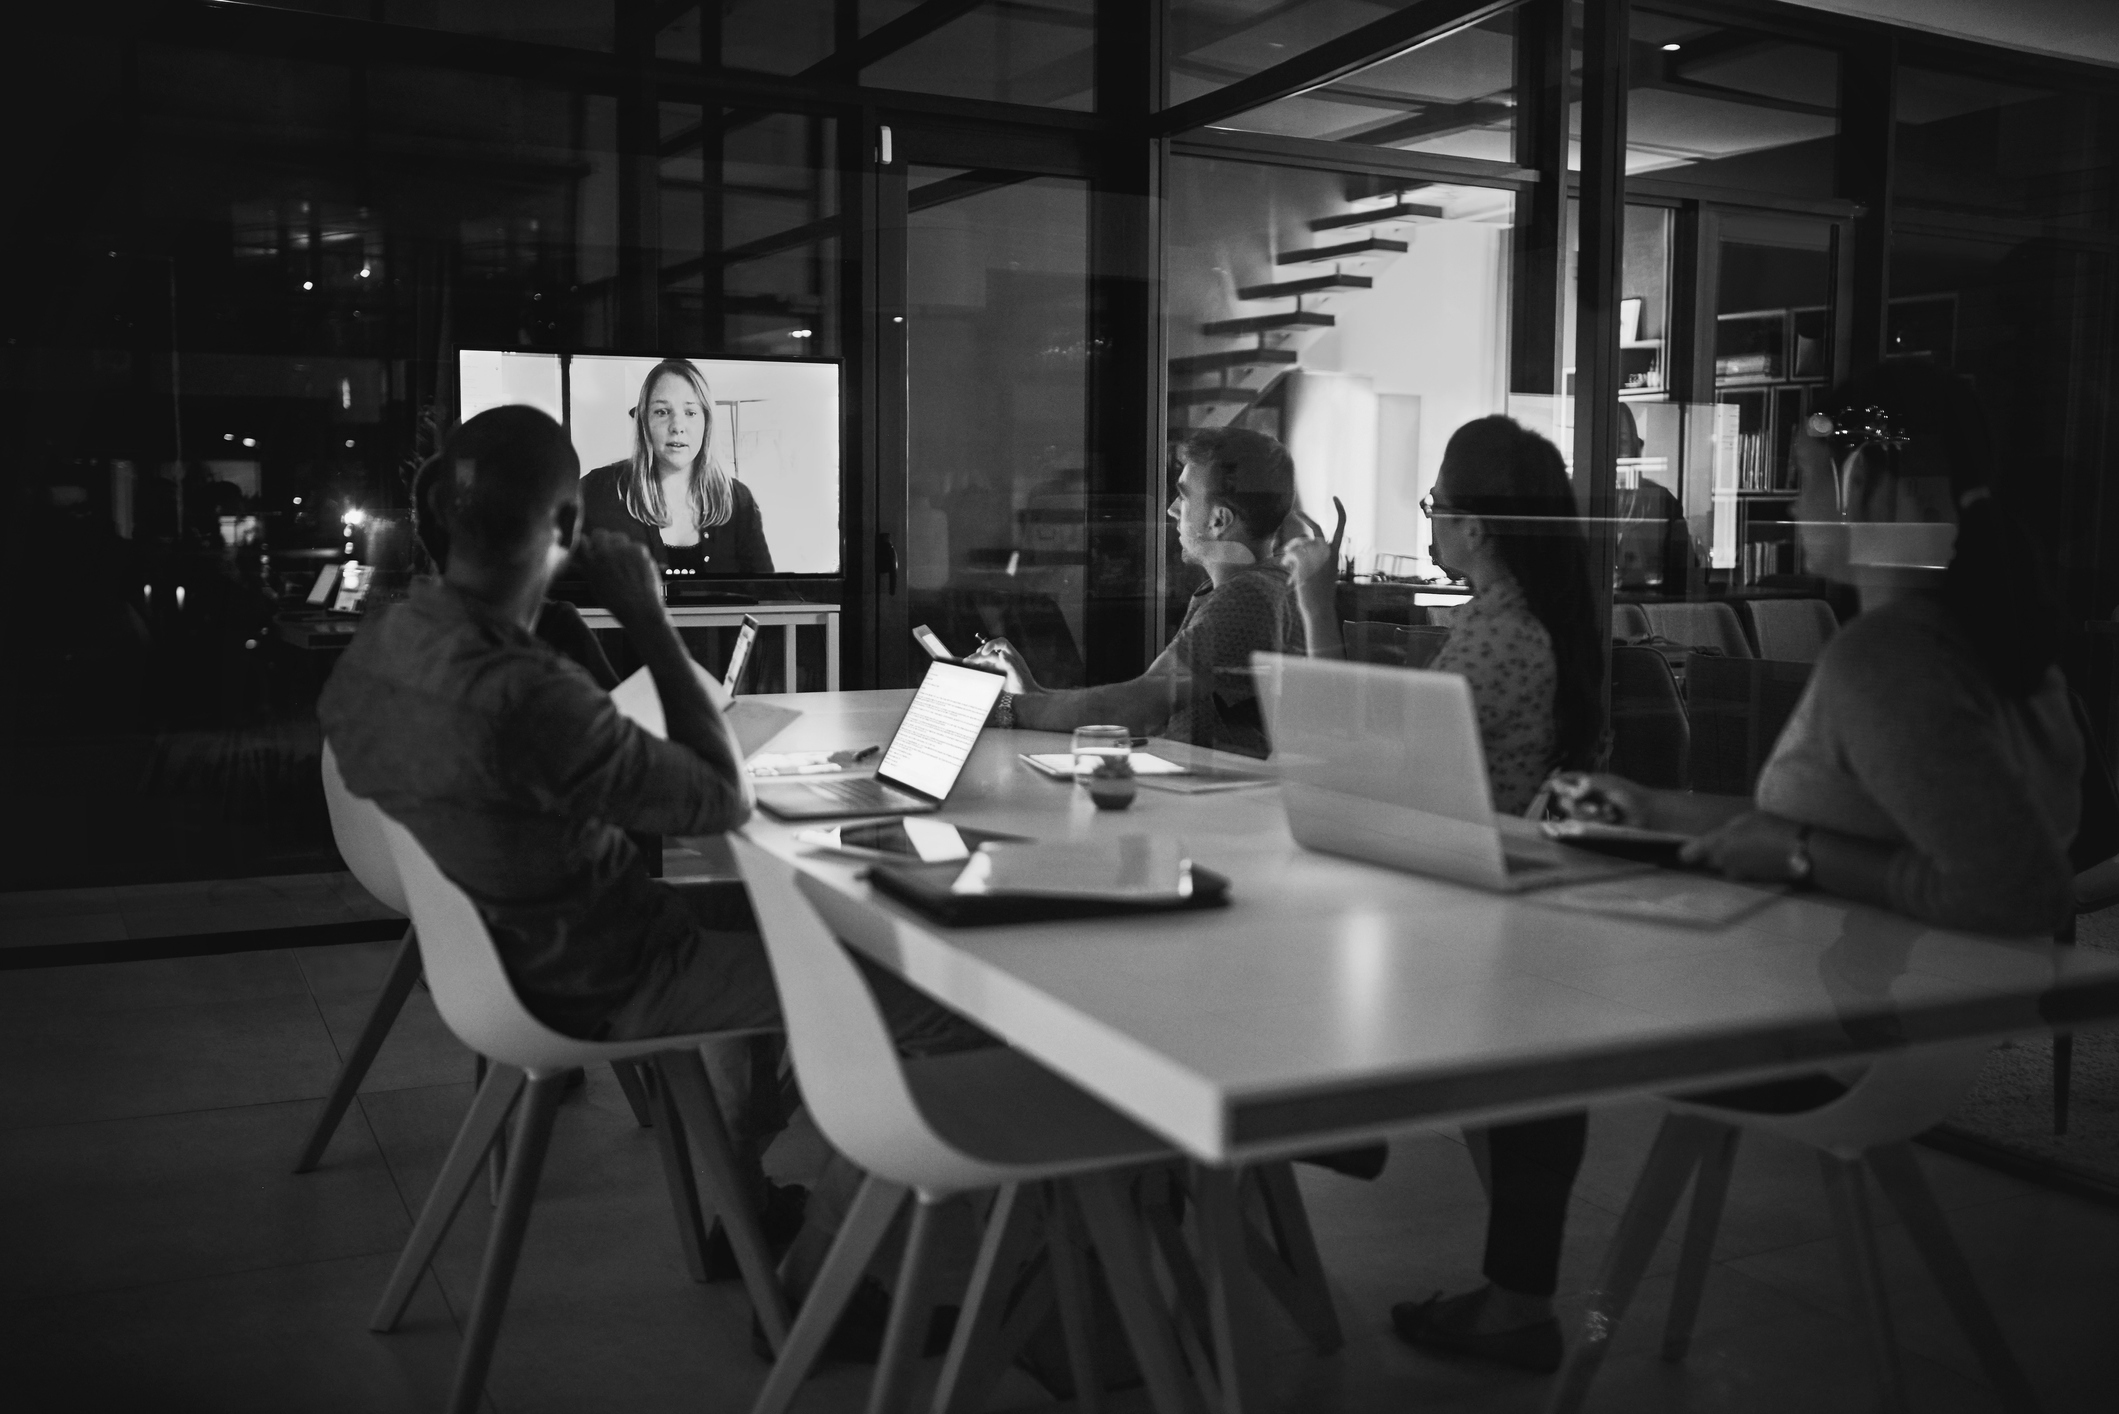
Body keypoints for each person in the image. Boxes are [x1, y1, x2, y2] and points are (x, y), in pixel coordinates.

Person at [1404, 363, 2084, 1375]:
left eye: (1806, 473)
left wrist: (1796, 849)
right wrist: (1672, 810)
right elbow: (1900, 832)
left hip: (1838, 1031)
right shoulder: (1984, 642)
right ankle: (1512, 1286)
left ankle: (1508, 1288)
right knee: (1542, 953)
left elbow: (2011, 888)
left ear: (1861, 483)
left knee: (1526, 995)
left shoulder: (1886, 659)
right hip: (1916, 1031)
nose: (1790, 497)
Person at [319, 407, 975, 1346]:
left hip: (503, 958)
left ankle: (743, 1208)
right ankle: (826, 1288)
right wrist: (648, 618)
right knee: (941, 1009)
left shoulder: (383, 651)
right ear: (565, 532)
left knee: (773, 925)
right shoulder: (525, 692)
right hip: (605, 973)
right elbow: (719, 798)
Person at [1286, 415, 1607, 1374]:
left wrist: (1312, 601)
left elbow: (1360, 760)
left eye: (1434, 507)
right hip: (1510, 895)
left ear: (1475, 528)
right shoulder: (1533, 616)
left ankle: (1333, 1120)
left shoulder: (1504, 633)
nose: (1429, 523)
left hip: (1482, 909)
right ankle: (1342, 1126)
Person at [968, 425, 1304, 757]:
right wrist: (1030, 693)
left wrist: (1009, 709)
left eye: (1184, 496)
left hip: (1218, 804)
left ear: (1219, 520)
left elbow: (1141, 708)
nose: (1172, 509)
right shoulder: (1248, 587)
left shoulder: (1247, 598)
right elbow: (1153, 708)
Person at [580, 358, 775, 576]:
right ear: (644, 420)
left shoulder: (738, 501)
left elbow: (769, 597)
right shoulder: (599, 490)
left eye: (690, 413)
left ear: (706, 422)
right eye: (662, 412)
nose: (677, 426)